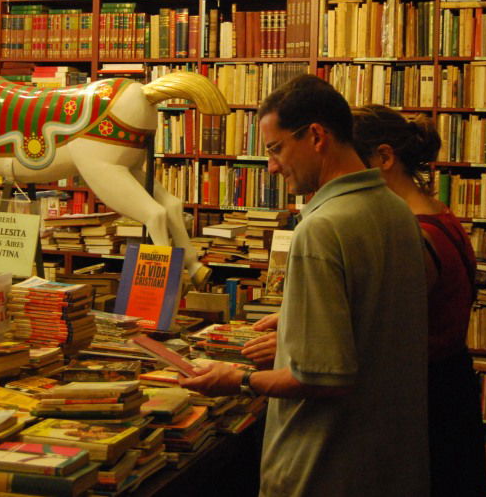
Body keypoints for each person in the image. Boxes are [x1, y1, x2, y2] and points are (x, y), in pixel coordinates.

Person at [181, 75, 429, 497]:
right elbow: (372, 318)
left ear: (316, 135)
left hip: (324, 467)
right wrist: (299, 318)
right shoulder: (397, 211)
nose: (272, 166)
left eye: (276, 149)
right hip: (391, 465)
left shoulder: (322, 228)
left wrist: (236, 379)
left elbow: (323, 379)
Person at [351, 104, 486, 497]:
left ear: (385, 158)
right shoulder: (440, 217)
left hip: (428, 400)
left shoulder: (416, 235)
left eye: (351, 165)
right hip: (449, 387)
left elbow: (384, 335)